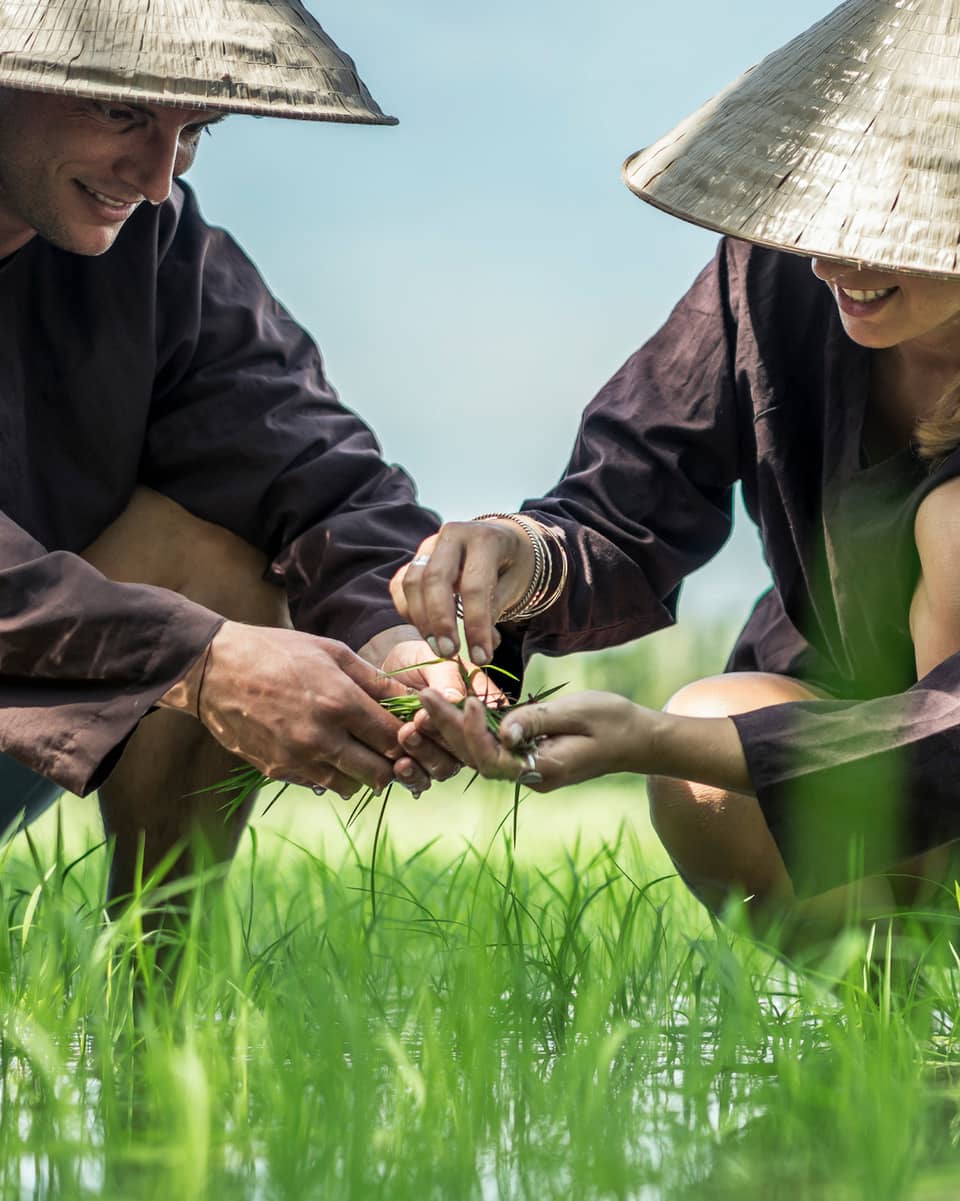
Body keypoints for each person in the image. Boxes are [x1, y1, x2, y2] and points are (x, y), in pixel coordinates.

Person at [390, 0, 960, 944]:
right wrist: (512, 557)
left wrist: (657, 739)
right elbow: (629, 499)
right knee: (710, 760)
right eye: (816, 208)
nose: (829, 258)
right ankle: (897, 1027)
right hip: (831, 729)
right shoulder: (776, 276)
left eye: (882, 221)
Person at [0, 0, 467, 904]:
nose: (156, 177)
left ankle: (162, 1021)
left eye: (195, 129)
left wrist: (399, 636)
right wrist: (197, 661)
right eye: (120, 110)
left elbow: (299, 453)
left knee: (217, 545)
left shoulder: (155, 247)